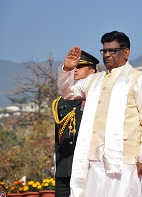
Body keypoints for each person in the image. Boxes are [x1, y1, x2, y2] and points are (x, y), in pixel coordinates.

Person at [57, 31, 142, 197]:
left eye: (112, 50)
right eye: (104, 51)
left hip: (124, 159)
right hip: (93, 159)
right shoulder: (94, 79)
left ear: (126, 52)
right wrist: (67, 69)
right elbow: (68, 92)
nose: (107, 55)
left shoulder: (139, 79)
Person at [52, 50, 99, 197]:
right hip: (64, 167)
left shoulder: (95, 99)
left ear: (92, 71)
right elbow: (58, 138)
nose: (75, 70)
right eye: (73, 67)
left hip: (87, 168)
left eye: (79, 67)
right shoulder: (61, 101)